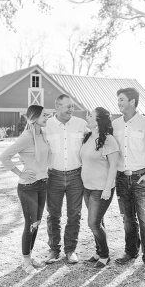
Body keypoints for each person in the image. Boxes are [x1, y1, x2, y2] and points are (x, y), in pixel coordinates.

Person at [112, 87, 145, 277]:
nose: (119, 103)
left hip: (141, 177)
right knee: (127, 219)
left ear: (133, 102)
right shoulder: (115, 124)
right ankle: (131, 251)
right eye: (118, 99)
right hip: (121, 178)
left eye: (122, 99)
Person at [0, 105, 52, 273]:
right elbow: (4, 156)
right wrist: (20, 173)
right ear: (35, 117)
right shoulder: (27, 136)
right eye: (44, 115)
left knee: (36, 223)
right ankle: (25, 262)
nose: (47, 117)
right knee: (30, 224)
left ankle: (29, 256)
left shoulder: (42, 134)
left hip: (42, 184)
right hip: (28, 187)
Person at [44, 94, 87, 264]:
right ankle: (54, 250)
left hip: (76, 175)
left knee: (74, 215)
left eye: (73, 106)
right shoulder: (46, 125)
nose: (71, 109)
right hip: (53, 176)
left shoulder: (81, 124)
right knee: (53, 215)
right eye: (68, 106)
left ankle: (70, 250)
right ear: (57, 106)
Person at [79, 107, 119, 268]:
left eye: (91, 116)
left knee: (93, 223)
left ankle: (104, 255)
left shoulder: (108, 140)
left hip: (101, 188)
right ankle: (98, 251)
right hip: (87, 187)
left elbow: (113, 165)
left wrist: (107, 189)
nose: (87, 118)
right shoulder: (88, 137)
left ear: (99, 121)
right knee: (98, 221)